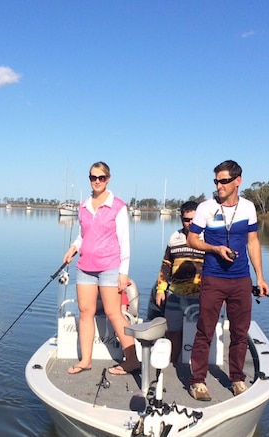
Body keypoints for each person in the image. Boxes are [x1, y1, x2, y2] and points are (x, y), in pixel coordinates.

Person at [186, 160, 269, 401]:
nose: (219, 186)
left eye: (223, 181)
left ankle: (237, 378)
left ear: (237, 181)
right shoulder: (206, 208)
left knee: (240, 333)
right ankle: (198, 381)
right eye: (216, 181)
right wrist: (214, 248)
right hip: (213, 278)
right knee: (205, 331)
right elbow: (192, 240)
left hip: (241, 279)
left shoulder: (249, 208)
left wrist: (260, 277)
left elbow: (253, 242)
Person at [63, 161, 140, 376]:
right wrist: (73, 248)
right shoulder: (84, 206)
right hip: (85, 267)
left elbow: (125, 242)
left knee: (113, 312)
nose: (97, 181)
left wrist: (123, 272)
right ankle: (85, 360)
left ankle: (132, 360)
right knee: (85, 312)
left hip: (110, 267)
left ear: (108, 179)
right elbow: (82, 235)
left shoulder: (118, 206)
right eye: (93, 177)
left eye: (101, 178)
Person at [152, 201, 205, 364]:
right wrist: (161, 289)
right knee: (173, 331)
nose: (190, 223)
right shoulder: (174, 238)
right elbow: (166, 264)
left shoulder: (208, 239)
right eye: (186, 220)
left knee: (198, 333)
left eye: (194, 220)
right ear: (181, 218)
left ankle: (196, 365)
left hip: (199, 296)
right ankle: (173, 362)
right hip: (175, 294)